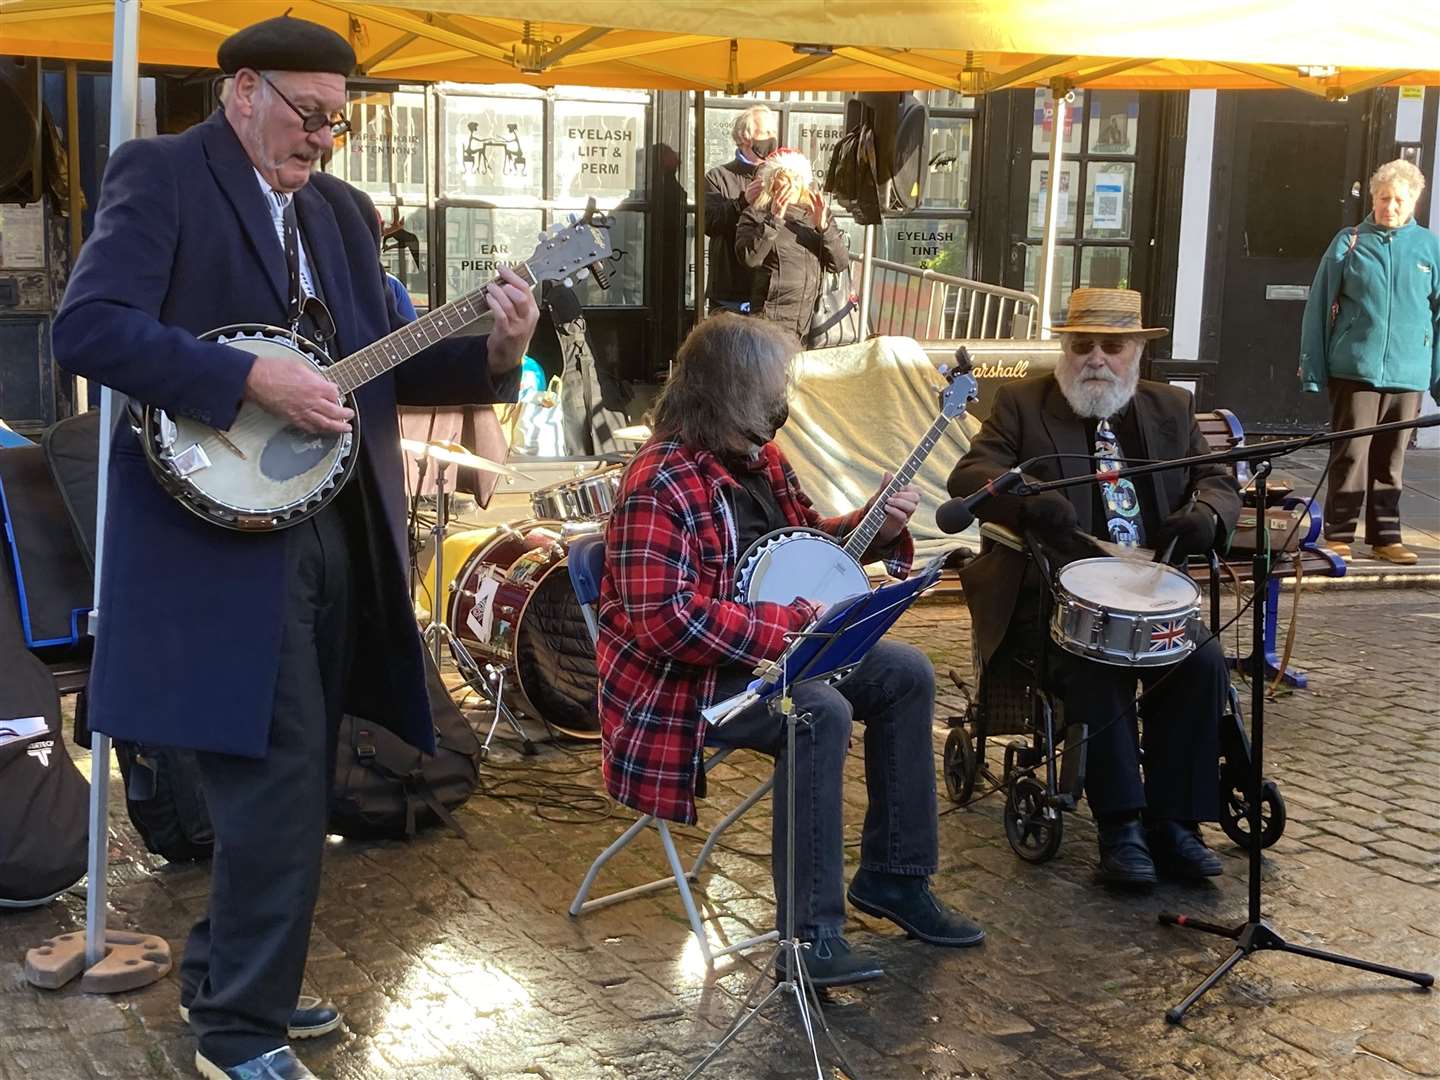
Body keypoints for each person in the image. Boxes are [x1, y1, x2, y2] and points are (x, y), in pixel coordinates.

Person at [51, 16, 538, 1080]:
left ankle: (234, 980)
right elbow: (86, 329)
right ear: (240, 91)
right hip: (214, 542)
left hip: (332, 528)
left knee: (304, 774)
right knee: (272, 782)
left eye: (338, 121)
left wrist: (498, 349)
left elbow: (390, 366)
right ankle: (240, 1035)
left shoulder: (343, 214)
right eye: (308, 114)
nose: (322, 138)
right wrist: (243, 380)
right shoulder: (163, 176)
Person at [596, 314, 984, 989]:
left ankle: (894, 878)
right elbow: (664, 623)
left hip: (770, 655)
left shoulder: (759, 458)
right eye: (774, 387)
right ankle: (809, 939)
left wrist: (877, 522)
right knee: (818, 710)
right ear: (732, 391)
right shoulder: (657, 483)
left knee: (907, 672)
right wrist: (783, 629)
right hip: (681, 685)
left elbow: (809, 545)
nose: (784, 402)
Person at [949, 288, 1241, 887]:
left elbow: (1215, 479)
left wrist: (1207, 516)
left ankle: (1175, 823)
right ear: (1065, 348)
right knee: (1096, 662)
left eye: (1113, 346)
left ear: (1136, 351)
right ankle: (1123, 825)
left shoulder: (1170, 409)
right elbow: (972, 474)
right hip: (1055, 596)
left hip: (1152, 592)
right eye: (1083, 345)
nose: (1096, 359)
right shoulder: (1021, 405)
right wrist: (1031, 503)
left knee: (1203, 659)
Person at [1300, 158, 1440, 566]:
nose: (1390, 207)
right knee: (1350, 453)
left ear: (1413, 200)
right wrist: (1313, 367)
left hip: (1407, 371)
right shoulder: (1350, 241)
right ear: (1373, 199)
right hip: (1355, 369)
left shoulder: (1430, 247)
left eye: (1398, 199)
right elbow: (1318, 305)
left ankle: (1386, 538)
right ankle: (1340, 534)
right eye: (1383, 198)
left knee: (1391, 458)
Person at [735, 149, 849, 344]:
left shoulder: (816, 214)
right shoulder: (755, 214)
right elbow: (749, 258)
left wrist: (824, 227)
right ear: (771, 185)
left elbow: (839, 263)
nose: (790, 187)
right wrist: (774, 219)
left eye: (795, 180)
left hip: (809, 320)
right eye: (783, 180)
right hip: (771, 318)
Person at [703, 104, 778, 314]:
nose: (771, 138)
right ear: (746, 138)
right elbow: (710, 223)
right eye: (765, 133)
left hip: (769, 290)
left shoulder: (782, 174)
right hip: (730, 291)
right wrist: (742, 202)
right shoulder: (718, 176)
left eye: (774, 132)